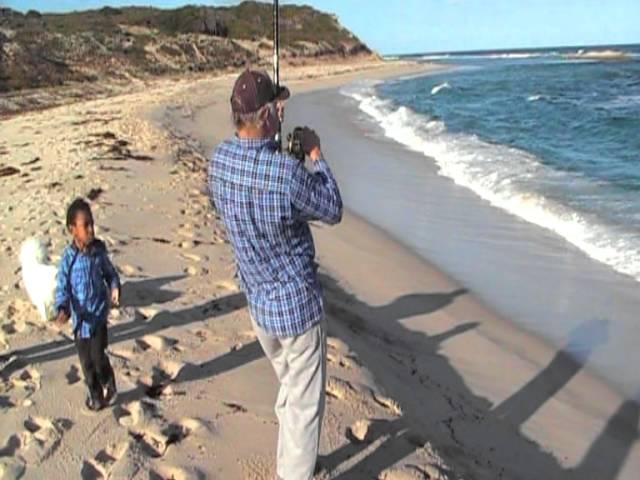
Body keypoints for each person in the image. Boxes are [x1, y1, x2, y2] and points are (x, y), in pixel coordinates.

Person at [208, 69, 343, 480]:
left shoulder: (220, 162)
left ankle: (293, 459)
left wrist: (283, 157)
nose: (281, 110)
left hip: (260, 306)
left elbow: (255, 193)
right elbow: (331, 207)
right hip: (297, 312)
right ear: (265, 116)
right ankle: (294, 472)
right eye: (277, 106)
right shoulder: (286, 176)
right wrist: (315, 156)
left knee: (291, 388)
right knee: (304, 405)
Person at [54, 197, 120, 411]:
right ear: (72, 229)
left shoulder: (98, 252)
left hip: (98, 316)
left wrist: (115, 287)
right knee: (86, 363)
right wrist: (62, 308)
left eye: (92, 223)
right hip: (80, 321)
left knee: (98, 357)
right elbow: (62, 287)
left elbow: (110, 273)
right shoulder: (68, 258)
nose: (91, 229)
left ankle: (108, 381)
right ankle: (95, 395)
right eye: (86, 225)